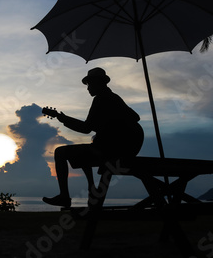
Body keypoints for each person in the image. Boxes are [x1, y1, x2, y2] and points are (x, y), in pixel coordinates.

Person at [43, 67, 144, 208]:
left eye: (89, 84)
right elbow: (134, 117)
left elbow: (85, 128)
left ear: (98, 83)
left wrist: (62, 118)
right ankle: (92, 188)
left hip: (113, 152)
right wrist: (110, 126)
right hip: (126, 150)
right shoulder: (114, 98)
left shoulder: (101, 99)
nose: (88, 88)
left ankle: (65, 196)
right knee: (88, 150)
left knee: (60, 152)